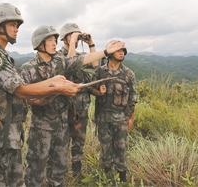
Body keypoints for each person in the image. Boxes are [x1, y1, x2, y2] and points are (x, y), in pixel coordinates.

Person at [0, 3, 81, 187]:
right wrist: (57, 88)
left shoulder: (3, 55)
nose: (16, 29)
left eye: (17, 25)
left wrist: (54, 82)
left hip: (8, 134)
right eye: (12, 25)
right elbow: (21, 90)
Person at [21, 26, 125, 187]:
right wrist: (49, 95)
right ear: (40, 44)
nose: (54, 43)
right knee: (36, 167)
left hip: (62, 125)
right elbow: (27, 96)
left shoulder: (60, 62)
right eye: (50, 40)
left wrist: (105, 52)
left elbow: (82, 60)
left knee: (59, 167)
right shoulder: (29, 68)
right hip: (42, 127)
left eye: (55, 40)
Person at [90, 40, 137, 182]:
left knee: (121, 149)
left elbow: (133, 98)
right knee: (105, 148)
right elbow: (90, 89)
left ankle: (122, 178)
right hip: (103, 118)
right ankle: (107, 178)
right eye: (118, 50)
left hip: (121, 118)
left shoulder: (128, 74)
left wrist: (130, 118)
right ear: (110, 53)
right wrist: (99, 92)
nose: (122, 52)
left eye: (123, 51)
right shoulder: (100, 71)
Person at [57, 23, 98, 176]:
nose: (75, 37)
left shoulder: (79, 56)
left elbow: (95, 64)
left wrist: (91, 44)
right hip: (66, 109)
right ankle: (59, 175)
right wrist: (73, 42)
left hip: (82, 108)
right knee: (62, 143)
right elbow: (70, 65)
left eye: (77, 34)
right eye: (71, 35)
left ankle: (77, 172)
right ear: (63, 39)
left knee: (79, 142)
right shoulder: (58, 56)